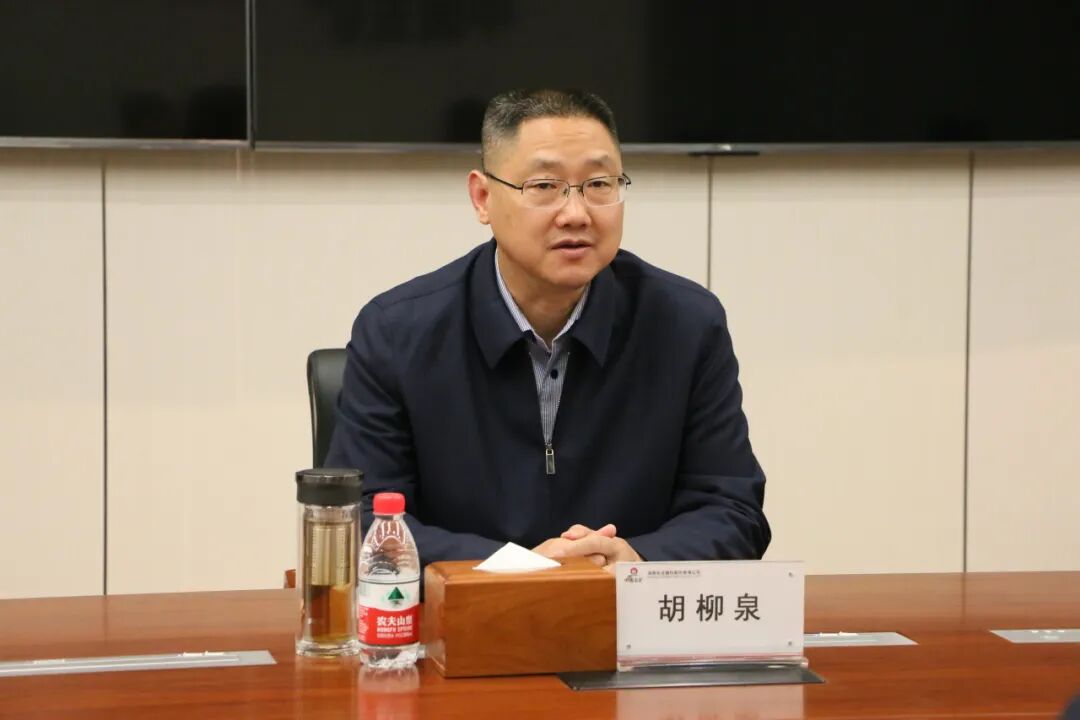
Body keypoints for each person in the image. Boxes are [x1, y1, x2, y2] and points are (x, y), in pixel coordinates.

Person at [325, 89, 770, 571]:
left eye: (599, 184)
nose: (576, 213)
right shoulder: (398, 332)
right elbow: (359, 519)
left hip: (624, 609)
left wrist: (635, 560)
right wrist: (517, 568)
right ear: (482, 197)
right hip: (469, 612)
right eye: (544, 186)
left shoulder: (686, 324)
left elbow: (733, 509)